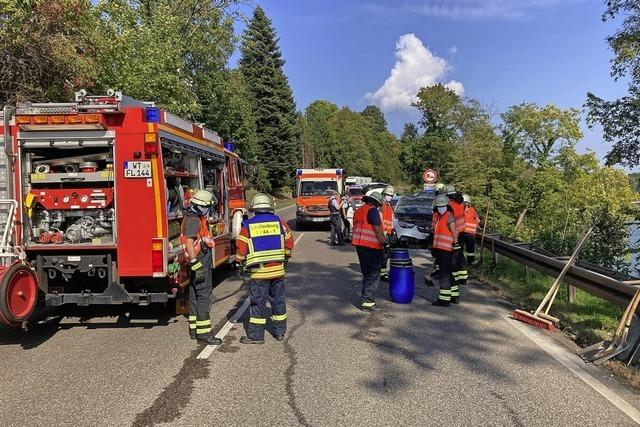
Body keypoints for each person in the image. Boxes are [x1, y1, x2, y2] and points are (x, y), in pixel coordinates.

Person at [236, 193, 294, 344]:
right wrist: (286, 257)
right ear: (270, 207)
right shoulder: (280, 222)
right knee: (279, 302)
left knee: (258, 303)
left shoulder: (248, 225)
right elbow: (289, 242)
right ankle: (280, 333)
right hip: (278, 271)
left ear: (254, 209)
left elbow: (241, 248)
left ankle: (256, 336)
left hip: (259, 273)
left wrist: (239, 262)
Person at [180, 189, 222, 345]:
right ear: (203, 206)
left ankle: (194, 330)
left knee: (194, 294)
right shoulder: (194, 220)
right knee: (204, 296)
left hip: (197, 260)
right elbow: (190, 242)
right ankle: (204, 334)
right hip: (199, 261)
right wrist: (195, 264)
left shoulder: (193, 216)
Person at [352, 191, 388, 312]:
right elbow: (377, 230)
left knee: (367, 273)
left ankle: (366, 299)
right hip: (371, 246)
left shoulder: (359, 211)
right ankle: (368, 302)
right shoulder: (372, 211)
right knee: (373, 274)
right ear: (377, 203)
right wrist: (385, 243)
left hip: (360, 245)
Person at [431, 194, 459, 306]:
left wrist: (456, 244)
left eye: (442, 206)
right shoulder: (439, 217)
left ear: (446, 206)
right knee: (449, 273)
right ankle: (454, 296)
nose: (440, 208)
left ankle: (444, 299)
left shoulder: (449, 217)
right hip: (442, 249)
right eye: (438, 206)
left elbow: (453, 232)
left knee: (444, 274)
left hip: (446, 250)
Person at [446, 185, 468, 299]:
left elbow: (449, 221)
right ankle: (463, 277)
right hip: (463, 231)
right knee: (460, 254)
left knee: (454, 257)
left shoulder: (450, 205)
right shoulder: (461, 203)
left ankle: (455, 278)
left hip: (455, 233)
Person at [380, 185, 396, 280]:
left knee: (386, 254)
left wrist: (392, 231)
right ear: (384, 194)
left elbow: (391, 219)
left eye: (391, 195)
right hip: (384, 233)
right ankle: (382, 274)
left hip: (388, 232)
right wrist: (384, 232)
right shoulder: (381, 205)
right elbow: (381, 220)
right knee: (384, 255)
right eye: (388, 195)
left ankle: (383, 272)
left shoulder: (389, 205)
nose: (389, 196)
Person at [461, 194, 480, 264]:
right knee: (460, 249)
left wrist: (481, 224)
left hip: (470, 234)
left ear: (468, 203)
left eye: (466, 202)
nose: (464, 204)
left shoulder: (472, 210)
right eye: (463, 202)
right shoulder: (459, 211)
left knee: (470, 250)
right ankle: (461, 262)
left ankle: (470, 262)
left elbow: (477, 218)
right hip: (461, 233)